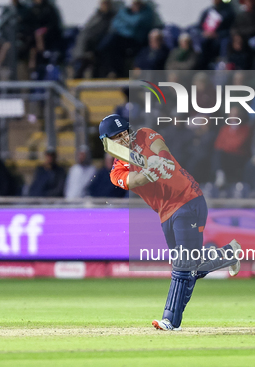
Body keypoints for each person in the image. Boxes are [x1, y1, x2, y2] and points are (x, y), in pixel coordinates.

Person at [100, 114, 241, 331]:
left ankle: (170, 320)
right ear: (107, 144)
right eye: (117, 138)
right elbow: (134, 180)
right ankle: (228, 254)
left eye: (124, 133)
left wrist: (163, 159)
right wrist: (150, 172)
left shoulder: (144, 135)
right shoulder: (116, 172)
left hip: (188, 200)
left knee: (182, 265)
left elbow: (160, 145)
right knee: (191, 267)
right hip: (165, 212)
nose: (124, 139)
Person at [96, 0, 154, 77]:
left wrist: (123, 16)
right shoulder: (128, 13)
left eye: (138, 4)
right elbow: (115, 23)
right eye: (134, 4)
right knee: (108, 46)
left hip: (136, 41)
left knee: (113, 42)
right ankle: (112, 72)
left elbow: (135, 22)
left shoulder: (146, 13)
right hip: (123, 38)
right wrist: (127, 24)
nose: (136, 6)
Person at [0, 0, 33, 77]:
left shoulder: (24, 10)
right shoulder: (7, 9)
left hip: (19, 38)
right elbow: (2, 24)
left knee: (6, 46)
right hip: (7, 36)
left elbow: (26, 26)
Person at [71, 0, 115, 78]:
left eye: (107, 4)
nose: (105, 6)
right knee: (85, 59)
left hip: (103, 43)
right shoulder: (95, 17)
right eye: (103, 4)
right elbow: (87, 31)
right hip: (90, 45)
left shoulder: (112, 17)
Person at [197, 0, 235, 66]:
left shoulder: (228, 12)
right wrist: (204, 33)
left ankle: (222, 63)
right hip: (207, 36)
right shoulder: (208, 11)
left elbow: (230, 28)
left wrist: (217, 34)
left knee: (225, 42)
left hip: (220, 37)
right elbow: (200, 25)